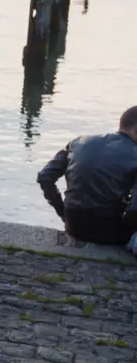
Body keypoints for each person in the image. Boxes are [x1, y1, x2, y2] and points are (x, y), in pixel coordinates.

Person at [38, 106, 137, 255]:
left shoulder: (78, 142)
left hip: (74, 226)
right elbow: (134, 210)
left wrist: (63, 213)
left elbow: (45, 177)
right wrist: (128, 229)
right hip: (111, 233)